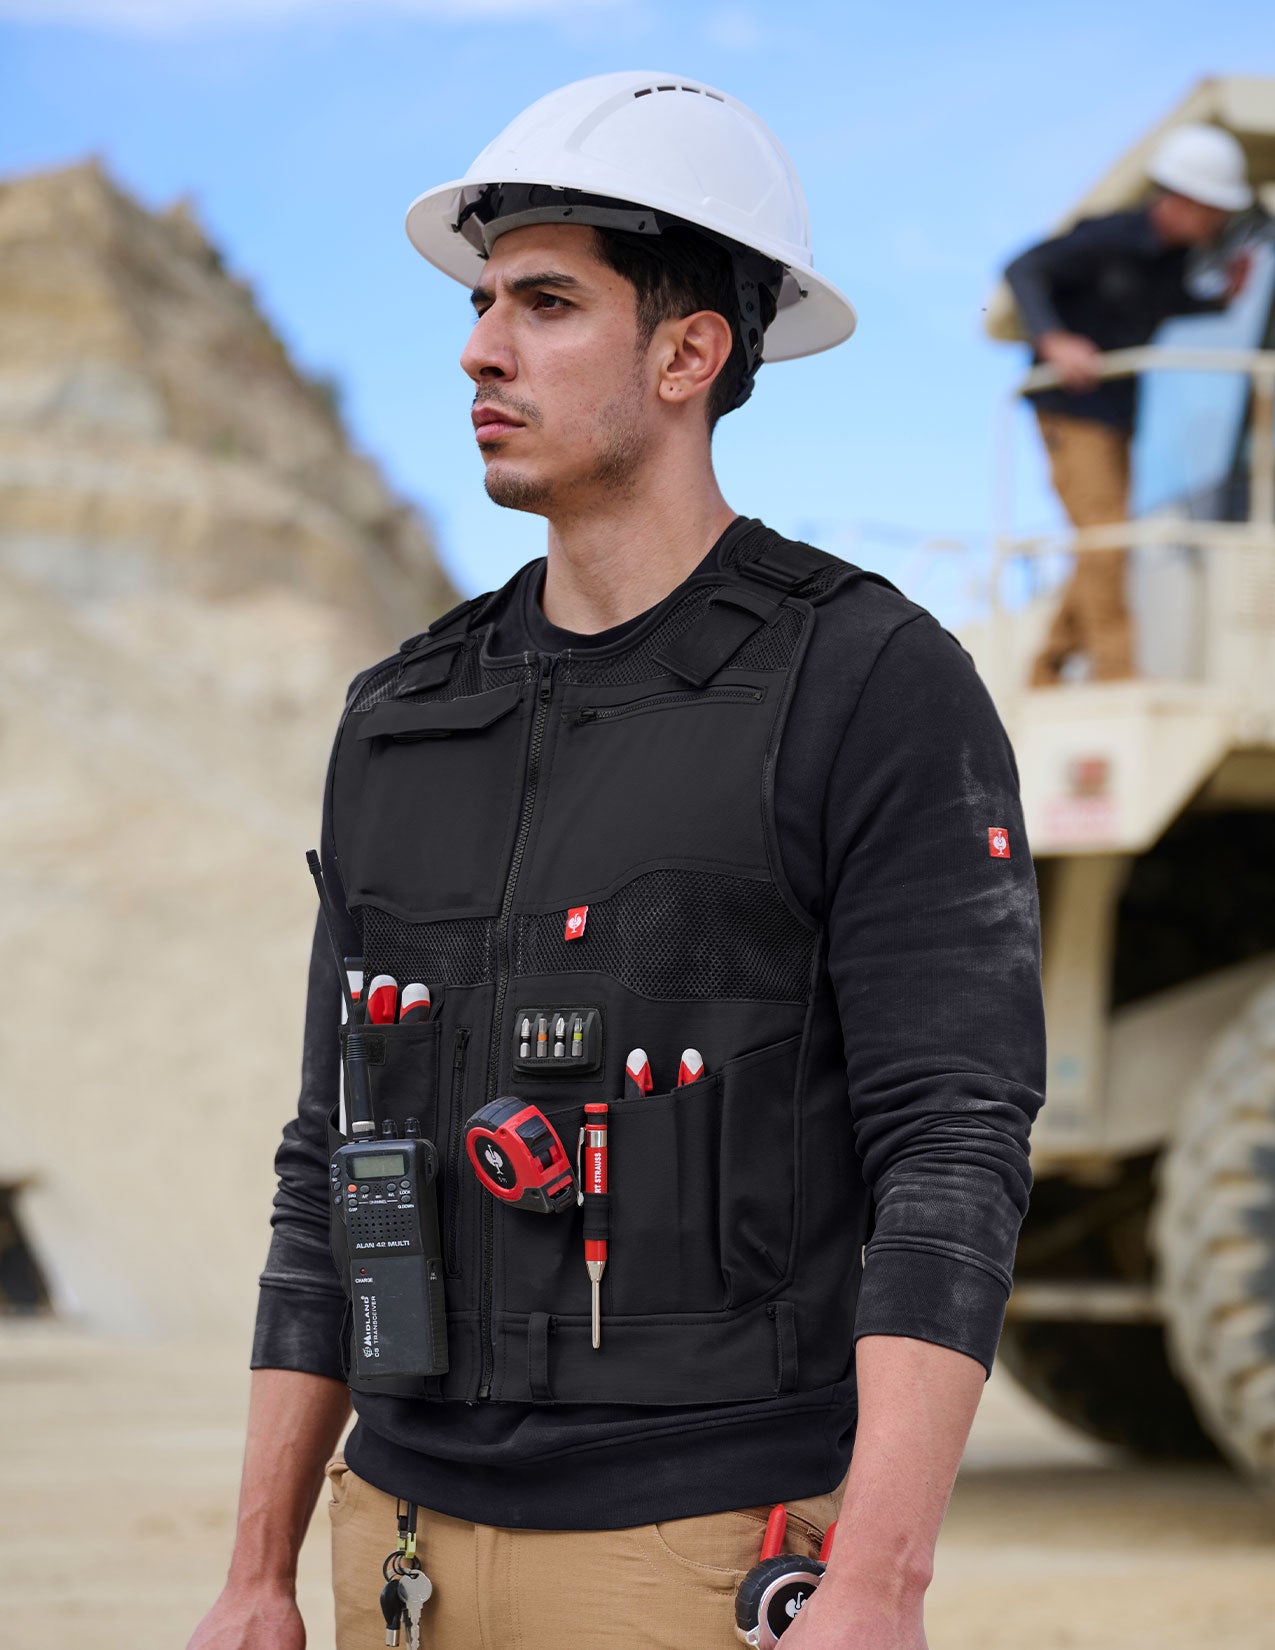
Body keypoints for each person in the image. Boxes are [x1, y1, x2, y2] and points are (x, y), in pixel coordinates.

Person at [189, 72, 1044, 1650]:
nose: (477, 345)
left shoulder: (865, 681)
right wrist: (256, 1567)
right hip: (398, 1546)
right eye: (480, 299)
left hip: (695, 1558)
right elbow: (328, 1161)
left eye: (544, 301)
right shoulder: (401, 712)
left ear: (686, 350)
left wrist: (877, 1579)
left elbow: (951, 1146)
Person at [1004, 122, 1253, 686]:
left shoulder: (1171, 262)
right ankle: (1116, 672)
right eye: (1217, 208)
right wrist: (1054, 339)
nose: (1219, 222)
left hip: (1119, 418)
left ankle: (1045, 668)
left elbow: (1167, 306)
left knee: (1104, 538)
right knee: (1106, 534)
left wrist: (1222, 302)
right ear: (1186, 200)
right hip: (1072, 413)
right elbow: (1023, 268)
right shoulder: (1108, 237)